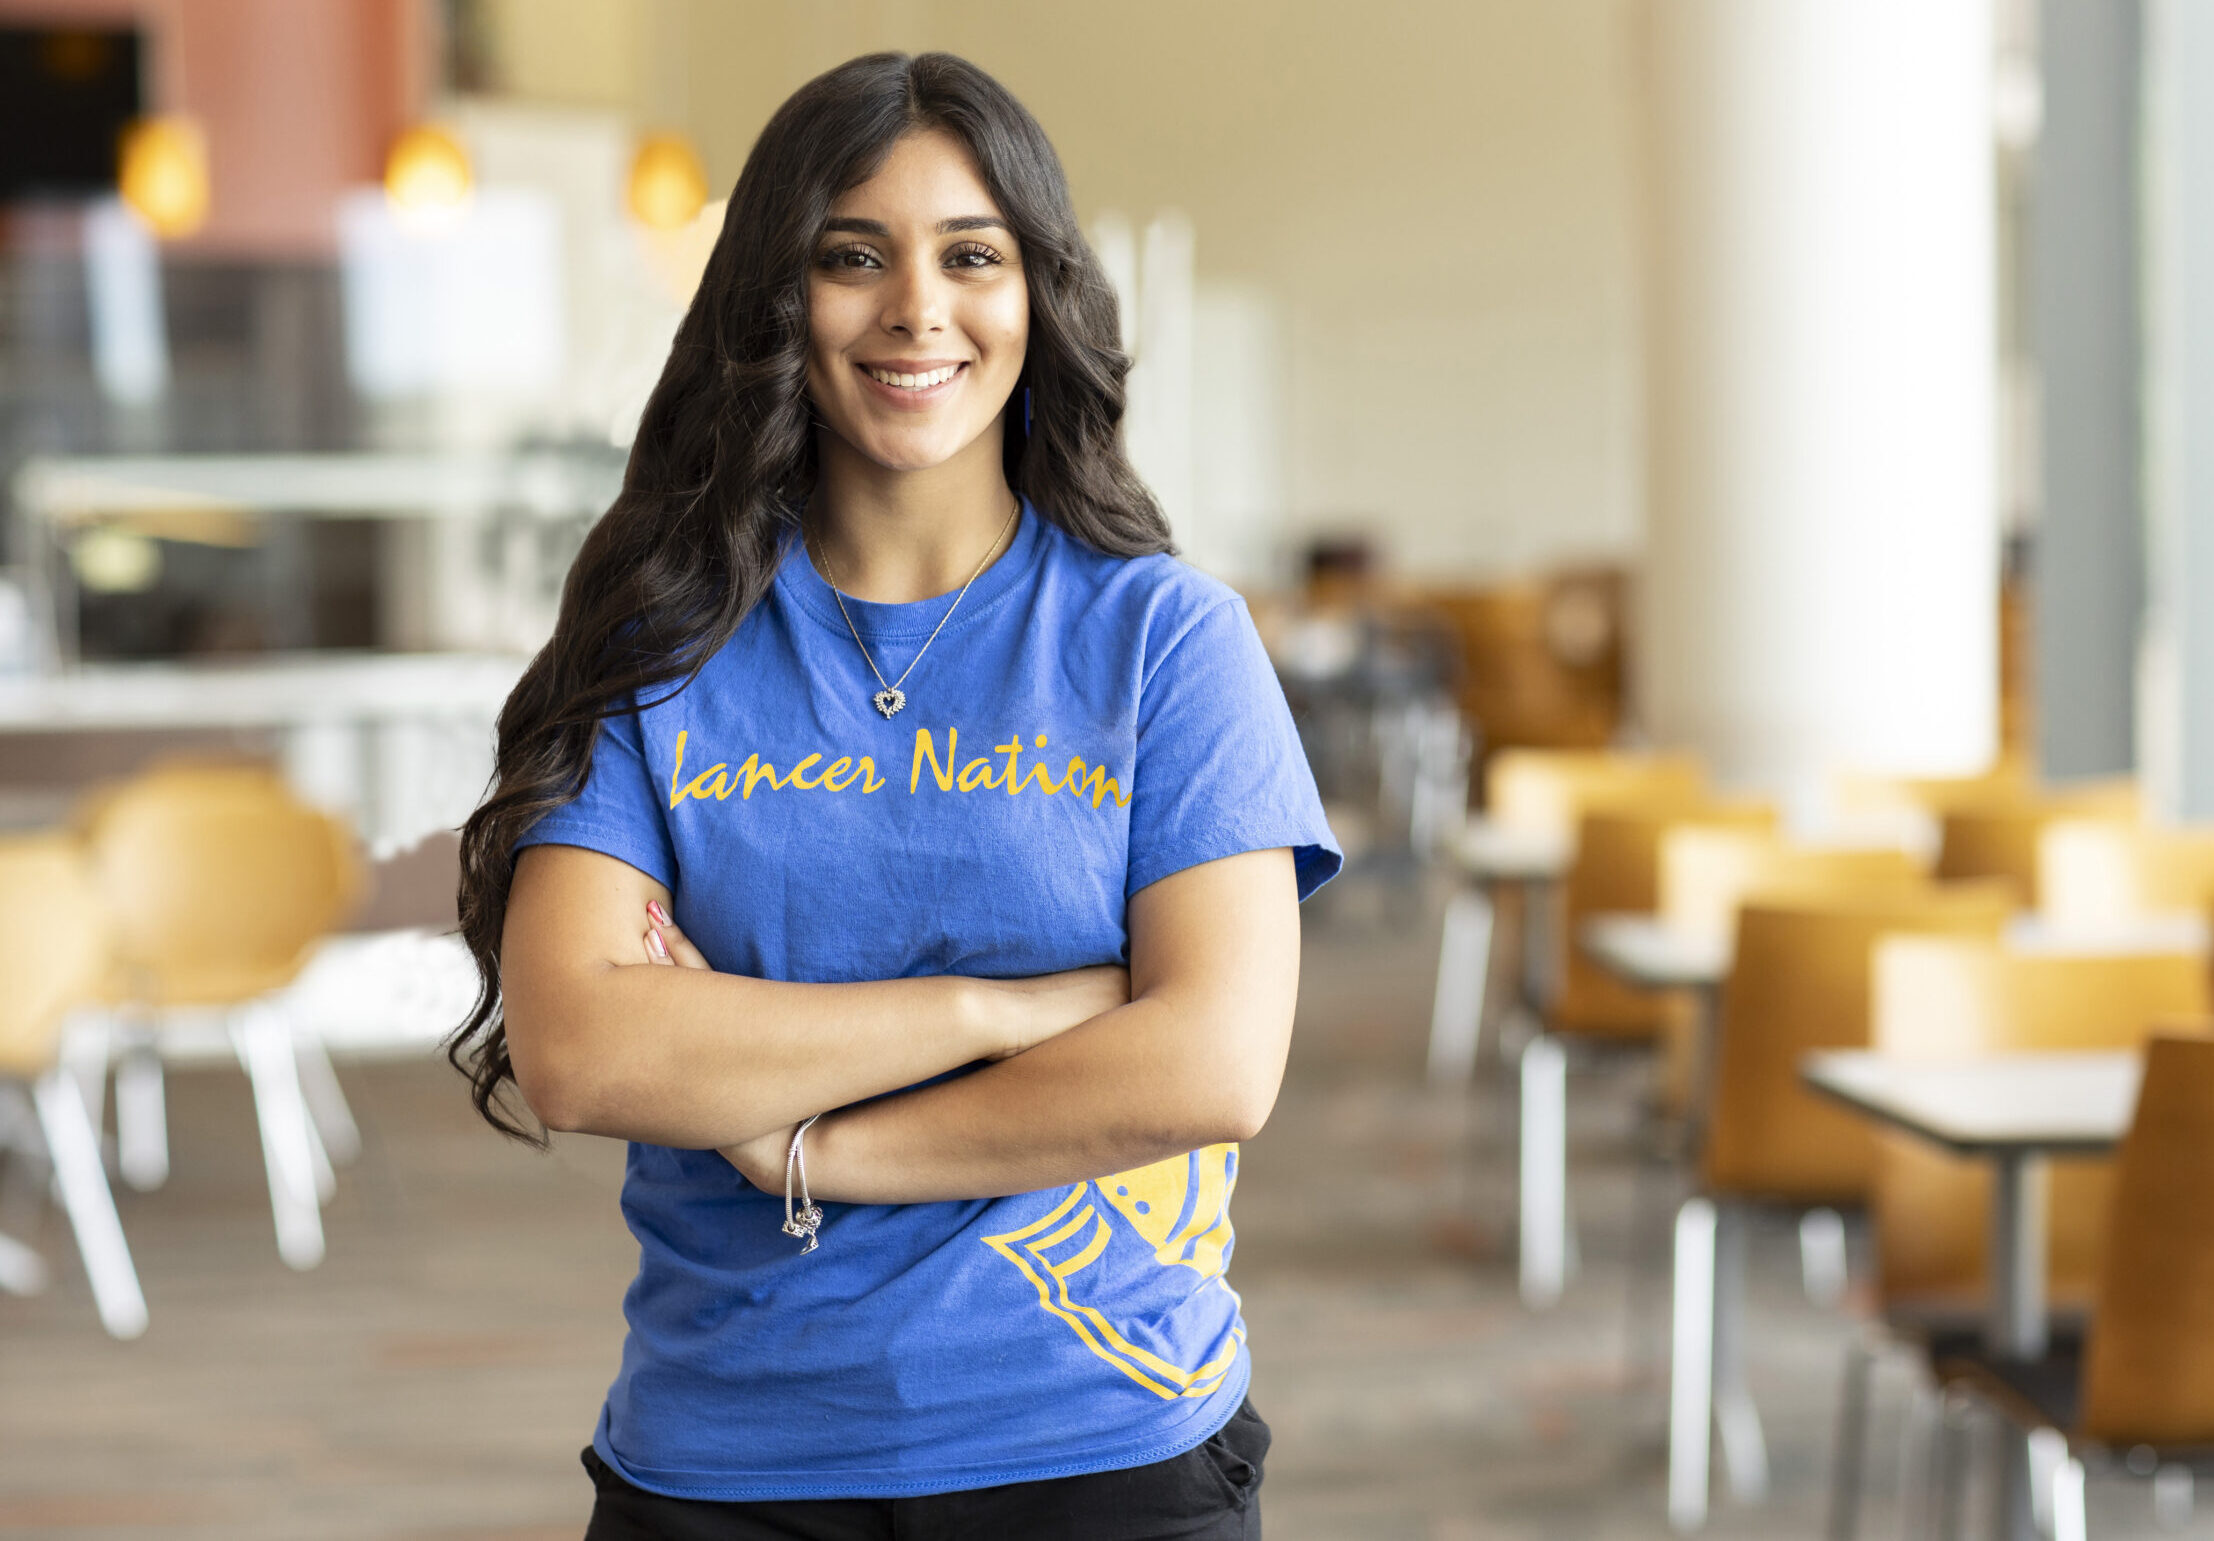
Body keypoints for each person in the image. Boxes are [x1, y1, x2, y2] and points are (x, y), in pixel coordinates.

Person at [452, 50, 1339, 1541]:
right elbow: (582, 1044)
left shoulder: (1162, 639)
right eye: (851, 256)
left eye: (970, 256)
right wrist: (1007, 1010)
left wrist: (810, 1141)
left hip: (1098, 1444)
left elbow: (1210, 1065)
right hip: (729, 1460)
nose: (916, 309)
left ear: (1036, 297)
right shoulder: (663, 646)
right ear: (774, 301)